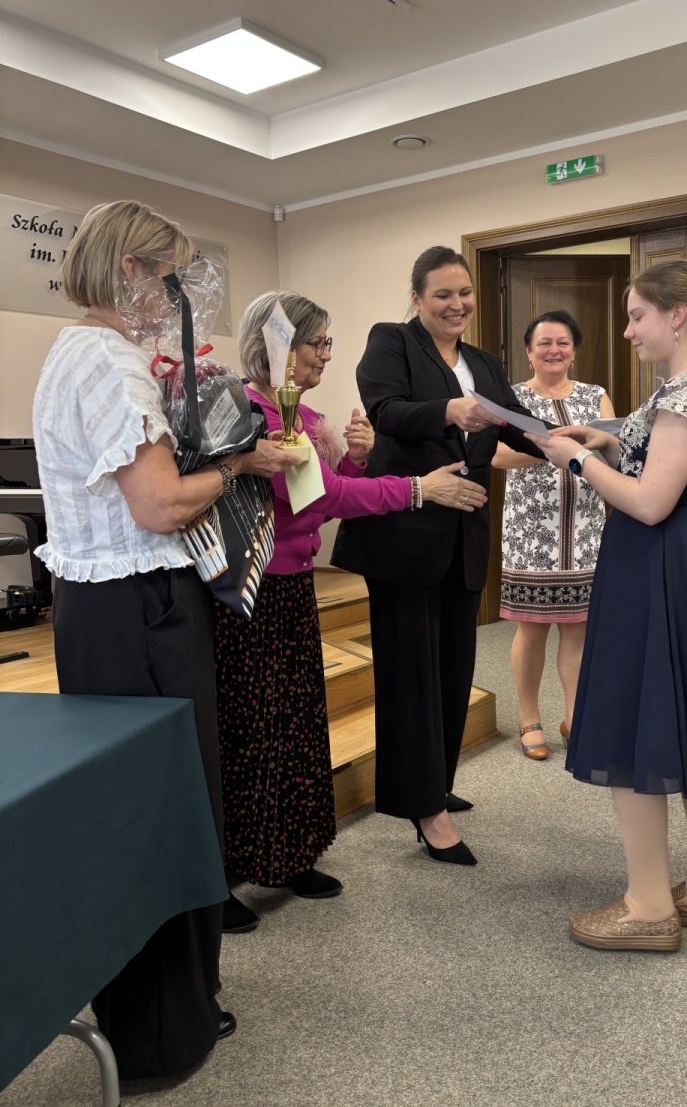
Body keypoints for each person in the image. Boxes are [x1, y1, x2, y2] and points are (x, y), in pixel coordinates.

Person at [31, 200, 307, 1077]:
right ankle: (161, 1030)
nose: (177, 296)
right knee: (167, 808)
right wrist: (237, 463)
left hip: (98, 610)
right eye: (171, 278)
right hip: (144, 608)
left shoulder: (70, 351)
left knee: (130, 811)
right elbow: (158, 505)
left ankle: (151, 1012)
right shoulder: (111, 363)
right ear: (131, 270)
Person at [530, 259, 687, 952]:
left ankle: (647, 906)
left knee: (637, 718)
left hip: (661, 561)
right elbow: (667, 461)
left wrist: (577, 462)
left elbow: (649, 502)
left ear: (677, 315)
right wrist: (608, 441)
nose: (628, 330)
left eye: (637, 316)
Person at [216, 291, 481, 926]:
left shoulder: (303, 416)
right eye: (316, 343)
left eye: (327, 343)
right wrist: (418, 488)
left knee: (296, 727)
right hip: (250, 592)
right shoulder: (250, 414)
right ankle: (222, 876)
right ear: (277, 347)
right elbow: (322, 499)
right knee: (251, 736)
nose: (326, 356)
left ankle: (289, 856)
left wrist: (357, 459)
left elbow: (329, 492)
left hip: (292, 585)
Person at [332, 246, 545, 866]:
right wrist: (450, 409)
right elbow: (387, 412)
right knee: (410, 675)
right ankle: (423, 808)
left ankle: (436, 782)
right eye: (443, 294)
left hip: (463, 534)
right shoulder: (392, 341)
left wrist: (573, 443)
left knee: (453, 669)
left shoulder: (485, 362)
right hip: (404, 533)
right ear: (417, 298)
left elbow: (517, 424)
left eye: (465, 293)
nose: (458, 304)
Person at [493, 310, 614, 760]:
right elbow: (498, 456)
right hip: (531, 534)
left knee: (578, 630)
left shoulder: (595, 396)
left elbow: (613, 451)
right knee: (531, 629)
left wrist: (587, 450)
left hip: (586, 533)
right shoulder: (511, 399)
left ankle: (574, 718)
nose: (553, 350)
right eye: (544, 343)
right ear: (529, 352)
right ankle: (529, 717)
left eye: (563, 342)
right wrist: (554, 450)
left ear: (574, 351)